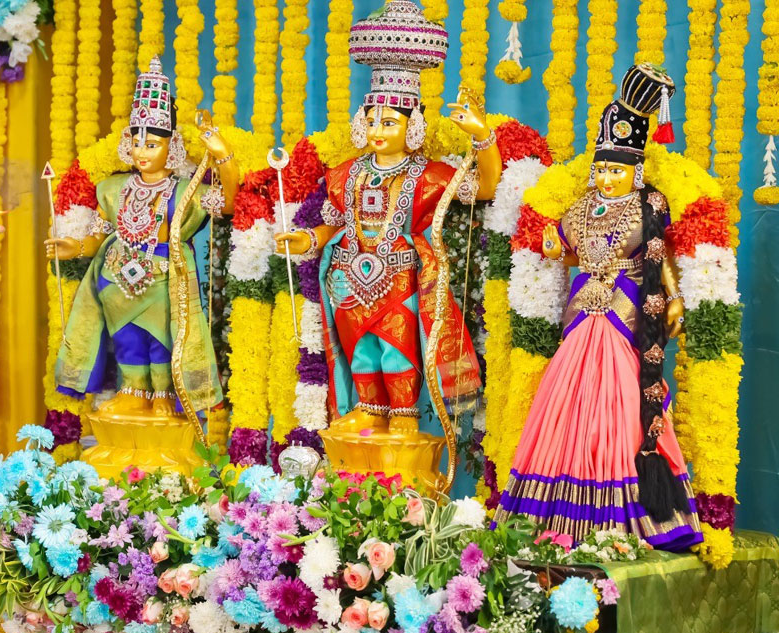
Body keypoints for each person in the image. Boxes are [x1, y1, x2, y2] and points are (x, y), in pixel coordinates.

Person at [494, 64, 703, 551]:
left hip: (624, 313)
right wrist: (553, 251)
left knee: (620, 403)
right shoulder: (580, 207)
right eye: (603, 169)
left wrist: (672, 297)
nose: (608, 178)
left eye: (617, 170)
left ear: (636, 170)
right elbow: (573, 251)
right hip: (582, 313)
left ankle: (620, 517)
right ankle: (558, 517)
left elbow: (661, 254)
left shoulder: (650, 206)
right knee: (564, 402)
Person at [273, 0, 495, 436]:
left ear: (412, 126)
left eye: (389, 122)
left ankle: (405, 427)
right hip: (347, 278)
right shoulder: (347, 173)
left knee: (397, 353)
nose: (377, 130)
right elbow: (335, 222)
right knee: (361, 356)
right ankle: (371, 418)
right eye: (371, 120)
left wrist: (482, 137)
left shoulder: (430, 176)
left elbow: (483, 189)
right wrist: (307, 240)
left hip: (399, 281)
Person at [47, 57, 236, 418]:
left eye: (151, 144)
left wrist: (224, 158)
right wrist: (74, 247)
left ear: (172, 147)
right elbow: (98, 235)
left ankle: (164, 395)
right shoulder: (112, 188)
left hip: (165, 280)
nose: (142, 151)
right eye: (136, 142)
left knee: (162, 342)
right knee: (128, 341)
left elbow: (227, 205)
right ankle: (133, 392)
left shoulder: (186, 191)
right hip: (115, 279)